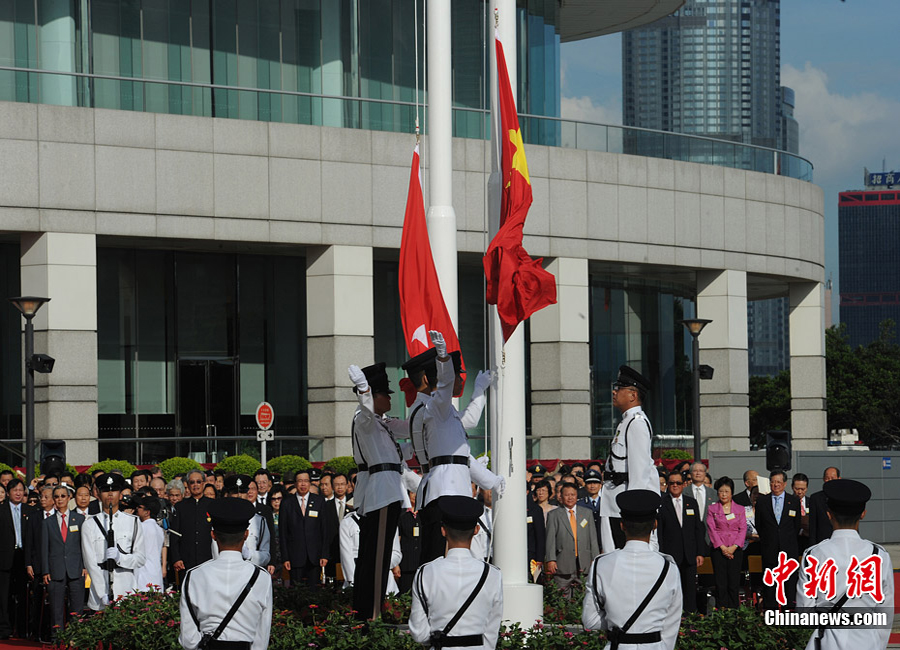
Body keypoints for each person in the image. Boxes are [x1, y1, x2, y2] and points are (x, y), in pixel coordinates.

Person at [404, 332, 505, 564]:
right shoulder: (435, 407)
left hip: (448, 485)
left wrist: (479, 390)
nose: (461, 380)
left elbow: (466, 429)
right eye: (458, 374)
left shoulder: (439, 409)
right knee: (439, 555)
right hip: (445, 490)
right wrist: (443, 358)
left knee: (444, 554)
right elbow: (459, 458)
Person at [795, 479, 893, 650]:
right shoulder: (879, 556)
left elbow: (805, 614)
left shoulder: (813, 555)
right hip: (868, 640)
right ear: (863, 513)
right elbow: (885, 612)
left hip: (827, 642)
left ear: (829, 514)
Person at [583, 490, 681, 650]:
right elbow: (672, 623)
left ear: (622, 525)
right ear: (655, 525)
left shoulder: (601, 564)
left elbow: (590, 620)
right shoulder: (669, 567)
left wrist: (617, 621)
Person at [409, 496, 503, 650]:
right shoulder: (492, 574)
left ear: (443, 530)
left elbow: (419, 634)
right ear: (476, 530)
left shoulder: (425, 572)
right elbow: (491, 632)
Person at [179, 498, 272, 650]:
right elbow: (261, 639)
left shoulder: (194, 575)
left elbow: (188, 640)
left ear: (213, 535)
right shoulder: (262, 577)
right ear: (246, 534)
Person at [600, 365, 659, 552]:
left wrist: (634, 513)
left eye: (619, 389)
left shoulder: (637, 423)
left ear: (633, 395)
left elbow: (639, 472)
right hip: (615, 503)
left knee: (626, 557)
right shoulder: (627, 421)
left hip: (624, 507)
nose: (614, 392)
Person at [81, 473, 146, 610]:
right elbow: (90, 563)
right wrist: (101, 593)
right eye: (105, 490)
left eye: (114, 490)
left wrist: (120, 558)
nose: (110, 494)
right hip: (100, 595)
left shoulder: (133, 522)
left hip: (126, 589)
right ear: (98, 494)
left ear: (120, 494)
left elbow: (140, 559)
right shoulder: (89, 524)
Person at [40, 486, 85, 641]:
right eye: (57, 496)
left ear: (69, 498)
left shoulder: (79, 519)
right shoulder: (47, 522)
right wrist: (45, 571)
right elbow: (44, 549)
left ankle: (76, 637)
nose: (60, 499)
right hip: (55, 569)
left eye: (63, 496)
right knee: (56, 608)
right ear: (54, 499)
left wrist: (85, 567)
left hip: (76, 568)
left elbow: (83, 546)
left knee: (77, 608)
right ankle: (57, 638)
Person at [657, 470, 705, 613]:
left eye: (678, 483)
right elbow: (659, 532)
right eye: (671, 483)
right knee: (672, 589)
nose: (675, 486)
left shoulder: (691, 503)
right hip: (671, 555)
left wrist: (700, 553)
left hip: (690, 555)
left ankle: (691, 618)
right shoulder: (661, 504)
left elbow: (698, 529)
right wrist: (662, 555)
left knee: (690, 588)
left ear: (684, 484)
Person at [756, 470, 801, 610]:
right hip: (770, 548)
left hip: (789, 549)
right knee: (770, 583)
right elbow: (759, 524)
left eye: (778, 482)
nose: (775, 485)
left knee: (789, 582)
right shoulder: (762, 501)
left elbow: (797, 525)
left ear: (785, 484)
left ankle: (789, 613)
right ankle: (771, 613)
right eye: (773, 482)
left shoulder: (793, 501)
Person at [544, 483, 600, 594]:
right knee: (561, 597)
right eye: (567, 495)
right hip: (562, 563)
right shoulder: (554, 515)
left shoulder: (587, 513)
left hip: (583, 562)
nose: (570, 497)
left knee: (584, 595)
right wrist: (551, 559)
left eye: (573, 495)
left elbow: (593, 538)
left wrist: (595, 558)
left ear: (577, 496)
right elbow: (550, 539)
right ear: (561, 496)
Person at [0, 478, 35, 639]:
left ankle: (22, 629)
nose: (18, 493)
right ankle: (5, 628)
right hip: (5, 558)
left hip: (24, 557)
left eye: (21, 490)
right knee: (4, 596)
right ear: (8, 493)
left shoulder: (30, 510)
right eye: (15, 490)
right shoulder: (1, 510)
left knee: (23, 595)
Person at [279, 469, 328, 584]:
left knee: (314, 591)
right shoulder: (287, 503)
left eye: (306, 481)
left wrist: (324, 554)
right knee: (297, 591)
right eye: (300, 481)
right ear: (295, 483)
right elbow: (283, 532)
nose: (303, 484)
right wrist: (285, 557)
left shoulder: (319, 501)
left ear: (310, 483)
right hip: (295, 556)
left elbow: (324, 530)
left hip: (315, 556)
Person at [338, 508, 402, 593]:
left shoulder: (389, 522)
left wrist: (379, 564)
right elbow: (346, 556)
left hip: (385, 582)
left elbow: (396, 553)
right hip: (358, 579)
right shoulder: (348, 522)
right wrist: (353, 581)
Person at [212, 476, 271, 568]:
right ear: (228, 494)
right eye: (235, 492)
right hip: (225, 570)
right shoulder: (219, 519)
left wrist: (249, 555)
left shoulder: (260, 521)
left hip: (250, 572)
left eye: (243, 492)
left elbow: (266, 556)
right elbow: (216, 554)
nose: (239, 495)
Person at [705, 476, 746, 609]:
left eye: (726, 491)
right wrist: (723, 548)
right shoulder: (712, 509)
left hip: (736, 550)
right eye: (721, 491)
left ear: (731, 492)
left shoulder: (740, 509)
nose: (723, 494)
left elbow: (743, 529)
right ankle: (722, 612)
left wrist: (733, 547)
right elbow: (711, 529)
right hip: (718, 549)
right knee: (721, 582)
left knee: (733, 582)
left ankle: (734, 611)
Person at [170, 469, 213, 575]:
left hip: (208, 559)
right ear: (187, 485)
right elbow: (174, 534)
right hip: (185, 560)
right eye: (192, 482)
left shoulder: (213, 505)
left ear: (204, 483)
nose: (195, 485)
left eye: (198, 482)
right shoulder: (180, 506)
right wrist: (176, 558)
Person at [132, 494, 165, 591]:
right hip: (155, 573)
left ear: (147, 512)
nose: (137, 509)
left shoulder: (142, 527)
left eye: (140, 507)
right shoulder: (159, 529)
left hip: (144, 575)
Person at [808, 466, 840, 545]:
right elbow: (812, 526)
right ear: (823, 479)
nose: (829, 481)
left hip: (841, 542)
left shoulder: (845, 498)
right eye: (827, 478)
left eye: (833, 478)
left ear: (839, 479)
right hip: (822, 543)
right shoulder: (815, 498)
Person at [688, 462, 716, 547]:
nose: (698, 473)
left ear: (705, 473)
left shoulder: (714, 493)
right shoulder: (683, 492)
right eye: (695, 471)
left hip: (709, 537)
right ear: (690, 473)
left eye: (701, 471)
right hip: (690, 535)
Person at [580, 469, 603, 544]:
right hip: (585, 542)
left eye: (595, 483)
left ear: (600, 485)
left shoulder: (605, 503)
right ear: (585, 485)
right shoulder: (579, 504)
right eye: (589, 483)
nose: (592, 486)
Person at [792, 473, 811, 553]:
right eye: (797, 489)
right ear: (792, 487)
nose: (799, 492)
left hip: (808, 540)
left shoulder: (812, 502)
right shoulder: (788, 502)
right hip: (793, 539)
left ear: (806, 488)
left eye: (802, 489)